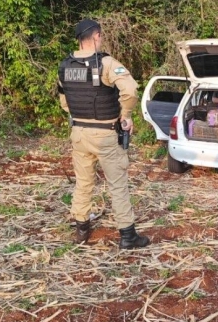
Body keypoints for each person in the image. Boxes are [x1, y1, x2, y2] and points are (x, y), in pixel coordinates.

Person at [57, 18, 150, 249]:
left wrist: (79, 117)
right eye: (102, 36)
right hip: (106, 134)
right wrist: (125, 116)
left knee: (83, 182)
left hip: (78, 133)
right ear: (96, 36)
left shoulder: (65, 66)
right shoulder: (106, 63)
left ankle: (81, 229)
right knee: (117, 184)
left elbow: (64, 101)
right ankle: (128, 236)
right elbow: (130, 89)